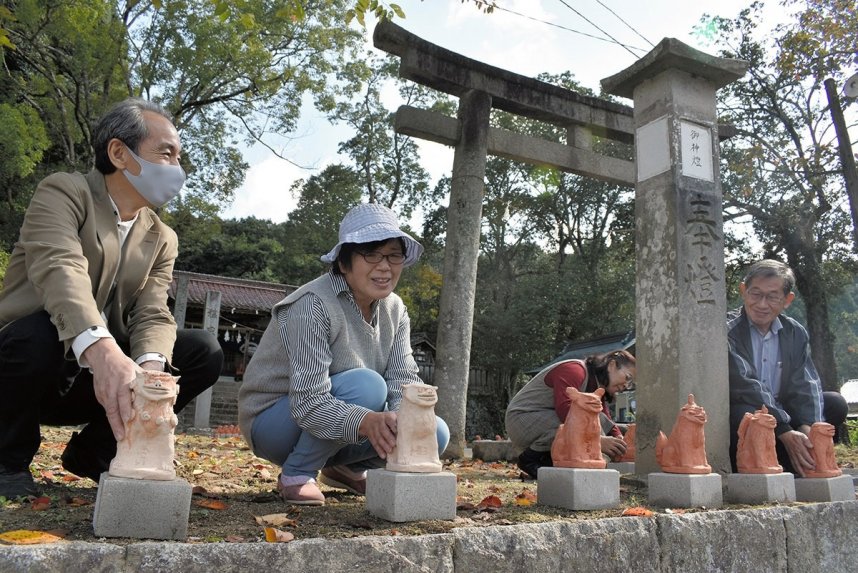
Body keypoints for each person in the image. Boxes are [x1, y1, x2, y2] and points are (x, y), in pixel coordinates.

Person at [0, 98, 224, 498]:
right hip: (27, 370)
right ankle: (7, 462)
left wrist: (150, 370)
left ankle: (98, 451)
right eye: (166, 154)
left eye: (179, 157)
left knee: (201, 350)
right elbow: (60, 269)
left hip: (103, 383)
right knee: (36, 333)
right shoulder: (64, 193)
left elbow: (153, 311)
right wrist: (103, 352)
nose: (177, 168)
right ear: (119, 152)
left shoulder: (162, 237)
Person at [238, 203, 450, 506]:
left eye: (393, 255)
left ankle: (346, 468)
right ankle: (297, 472)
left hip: (342, 417)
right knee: (366, 386)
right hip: (275, 421)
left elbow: (402, 378)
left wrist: (402, 419)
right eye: (371, 254)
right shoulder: (312, 304)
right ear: (344, 262)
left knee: (432, 432)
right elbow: (308, 401)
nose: (384, 266)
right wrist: (365, 421)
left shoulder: (396, 309)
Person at [728, 259, 848, 477]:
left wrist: (807, 426)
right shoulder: (728, 331)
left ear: (787, 300)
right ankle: (771, 459)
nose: (762, 304)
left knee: (834, 403)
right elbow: (744, 384)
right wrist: (784, 429)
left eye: (772, 296)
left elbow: (805, 383)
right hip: (750, 410)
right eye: (756, 294)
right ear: (743, 291)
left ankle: (802, 455)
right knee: (745, 415)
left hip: (783, 413)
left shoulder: (794, 332)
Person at [505, 350, 636, 479]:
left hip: (547, 419)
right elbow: (565, 411)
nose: (626, 385)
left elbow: (604, 419)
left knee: (594, 416)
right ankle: (529, 459)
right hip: (522, 418)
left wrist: (620, 442)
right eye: (627, 377)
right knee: (575, 421)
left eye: (630, 384)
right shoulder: (575, 370)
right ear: (612, 365)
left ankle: (547, 461)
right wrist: (597, 440)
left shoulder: (596, 386)